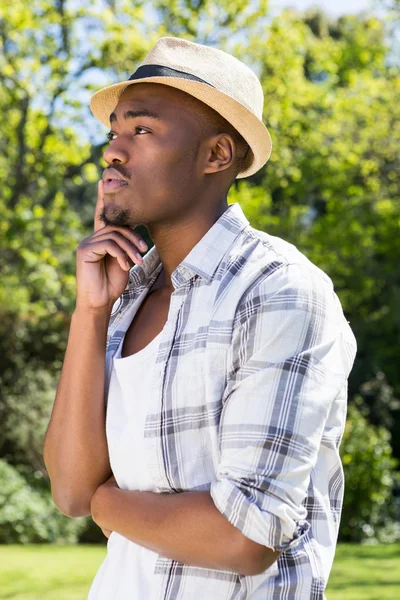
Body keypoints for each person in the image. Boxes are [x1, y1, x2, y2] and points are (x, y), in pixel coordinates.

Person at [43, 36, 357, 599]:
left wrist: (105, 499)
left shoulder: (277, 289)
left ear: (217, 155)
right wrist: (89, 313)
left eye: (141, 130)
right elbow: (68, 489)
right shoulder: (124, 298)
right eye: (113, 131)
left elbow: (244, 535)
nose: (113, 150)